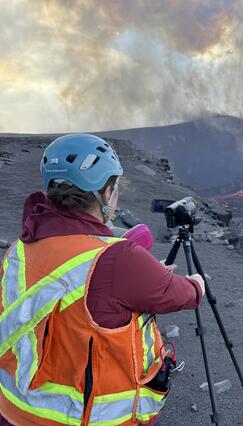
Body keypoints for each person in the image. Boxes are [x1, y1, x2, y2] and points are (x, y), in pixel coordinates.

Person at [0, 134, 205, 426]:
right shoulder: (118, 258)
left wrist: (139, 276)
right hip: (82, 418)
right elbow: (181, 294)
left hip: (13, 410)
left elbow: (81, 288)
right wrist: (197, 282)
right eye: (115, 188)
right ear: (106, 194)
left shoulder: (20, 247)